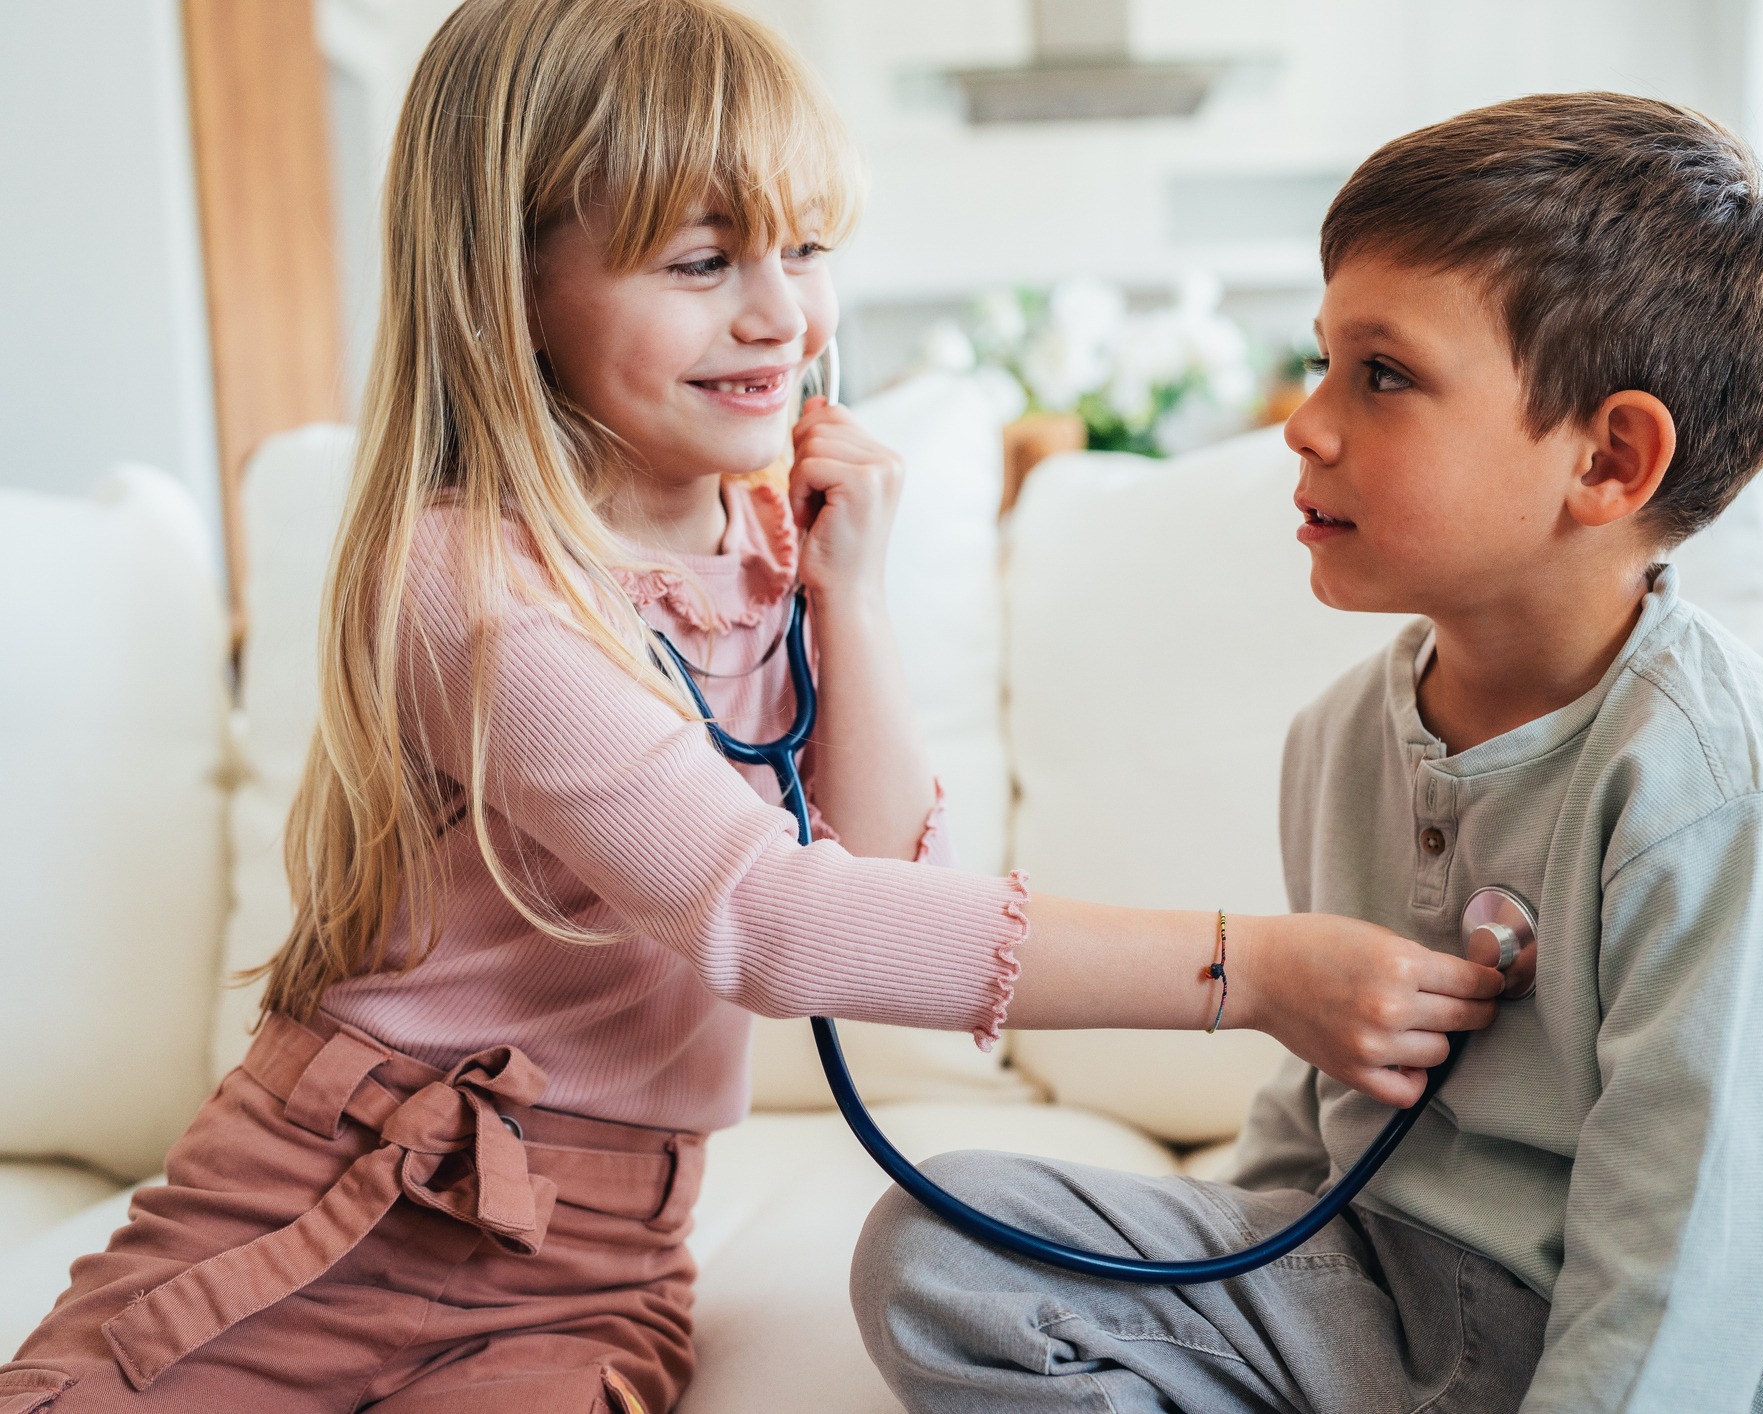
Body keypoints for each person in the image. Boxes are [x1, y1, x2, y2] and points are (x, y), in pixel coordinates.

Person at [0, 4, 1505, 1411]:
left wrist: (849, 593)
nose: (780, 313)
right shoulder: (467, 584)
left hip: (586, 1264)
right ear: (512, 283)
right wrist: (1252, 968)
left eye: (803, 248)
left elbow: (875, 897)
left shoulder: (760, 547)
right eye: (700, 263)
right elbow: (775, 924)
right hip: (324, 1205)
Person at [854, 93, 1763, 1414]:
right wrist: (1213, 1275)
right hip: (1389, 1299)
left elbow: (1686, 1260)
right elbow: (1310, 1130)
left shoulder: (1728, 799)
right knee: (949, 1246)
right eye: (1320, 361)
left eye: (1379, 373)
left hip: (1675, 1359)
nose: (1303, 424)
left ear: (1607, 456)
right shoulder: (1340, 737)